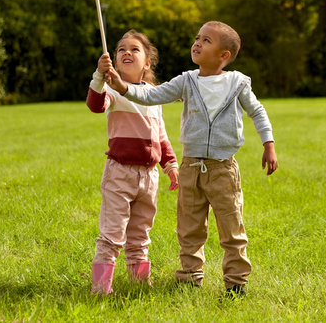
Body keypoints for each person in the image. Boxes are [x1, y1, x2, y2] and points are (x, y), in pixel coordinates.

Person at [106, 21, 278, 298]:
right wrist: (124, 88)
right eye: (197, 38)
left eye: (206, 40)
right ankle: (189, 277)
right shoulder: (186, 81)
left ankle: (236, 283)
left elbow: (257, 112)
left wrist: (268, 143)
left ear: (224, 55)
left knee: (232, 229)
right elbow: (153, 94)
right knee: (188, 228)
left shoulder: (237, 83)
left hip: (223, 169)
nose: (197, 43)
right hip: (190, 168)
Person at [86, 30, 180, 296]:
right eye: (121, 50)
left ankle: (140, 284)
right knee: (112, 235)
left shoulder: (153, 94)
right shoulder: (113, 91)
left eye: (134, 49)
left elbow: (160, 134)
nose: (127, 52)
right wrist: (98, 76)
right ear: (114, 61)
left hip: (149, 177)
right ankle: (101, 288)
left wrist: (170, 164)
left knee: (140, 236)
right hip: (120, 173)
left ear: (147, 62)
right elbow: (95, 105)